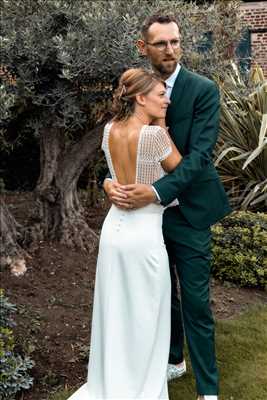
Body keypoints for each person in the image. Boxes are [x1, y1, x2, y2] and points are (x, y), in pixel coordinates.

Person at [104, 14, 232, 400]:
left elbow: (199, 158)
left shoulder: (203, 89)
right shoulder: (136, 88)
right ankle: (173, 359)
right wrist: (106, 183)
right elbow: (116, 146)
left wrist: (156, 192)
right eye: (161, 43)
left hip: (187, 213)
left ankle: (208, 389)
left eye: (175, 41)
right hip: (144, 219)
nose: (171, 49)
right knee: (160, 296)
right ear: (143, 47)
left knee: (195, 301)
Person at [68, 68, 182, 400]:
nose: (167, 100)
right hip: (144, 234)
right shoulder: (155, 136)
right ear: (140, 97)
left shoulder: (108, 131)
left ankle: (110, 381)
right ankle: (139, 387)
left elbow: (114, 175)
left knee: (114, 311)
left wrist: (107, 182)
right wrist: (162, 128)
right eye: (161, 94)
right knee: (148, 314)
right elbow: (182, 172)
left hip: (113, 229)